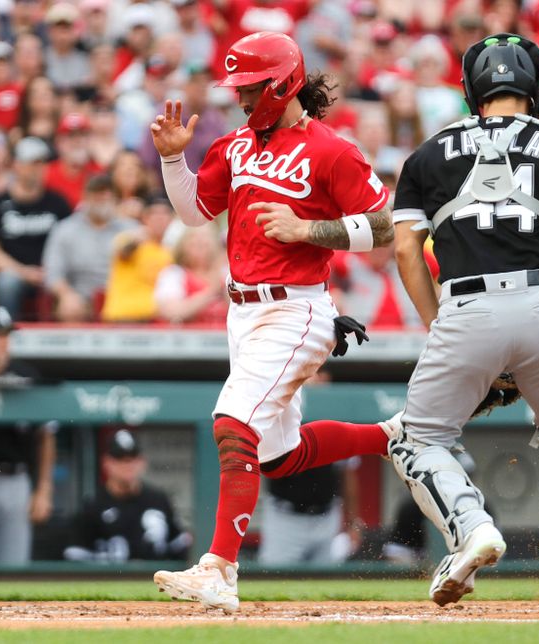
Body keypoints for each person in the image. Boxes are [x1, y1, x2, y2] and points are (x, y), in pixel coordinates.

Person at [150, 32, 395, 612]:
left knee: (233, 420)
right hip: (243, 311)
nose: (239, 97)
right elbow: (193, 213)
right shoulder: (233, 145)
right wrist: (170, 158)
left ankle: (220, 569)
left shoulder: (332, 150)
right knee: (278, 457)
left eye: (249, 86)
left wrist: (310, 229)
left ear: (281, 83)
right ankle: (392, 438)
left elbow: (382, 227)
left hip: (296, 306)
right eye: (236, 86)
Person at [387, 34, 539, 611]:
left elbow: (405, 251)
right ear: (536, 88)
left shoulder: (426, 155)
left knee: (418, 437)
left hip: (464, 305)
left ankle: (471, 528)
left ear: (472, 91)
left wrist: (438, 323)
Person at [0, 307, 56, 565]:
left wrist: (44, 489)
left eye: (6, 335)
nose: (2, 342)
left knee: (12, 565)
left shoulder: (26, 375)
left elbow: (46, 435)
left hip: (16, 479)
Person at [64, 429, 191, 563]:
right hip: (107, 581)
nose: (127, 466)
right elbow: (74, 555)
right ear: (106, 463)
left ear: (142, 462)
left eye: (132, 459)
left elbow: (179, 545)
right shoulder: (93, 506)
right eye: (120, 460)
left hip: (154, 579)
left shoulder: (158, 499)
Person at [0, 137, 71, 318]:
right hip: (15, 271)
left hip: (53, 273)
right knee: (6, 282)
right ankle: (5, 332)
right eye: (33, 163)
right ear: (17, 165)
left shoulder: (58, 203)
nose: (39, 169)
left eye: (43, 163)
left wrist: (53, 272)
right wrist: (23, 271)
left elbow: (71, 243)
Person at [42, 174, 137, 322]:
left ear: (115, 199)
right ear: (85, 197)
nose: (102, 199)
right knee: (69, 308)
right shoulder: (65, 229)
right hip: (81, 295)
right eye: (96, 194)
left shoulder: (131, 229)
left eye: (107, 194)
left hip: (123, 295)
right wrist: (66, 294)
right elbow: (53, 273)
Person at [101, 195, 174, 323]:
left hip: (155, 318)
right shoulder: (131, 238)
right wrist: (136, 240)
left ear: (171, 220)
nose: (160, 219)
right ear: (145, 218)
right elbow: (123, 251)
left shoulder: (170, 251)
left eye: (165, 214)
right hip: (124, 318)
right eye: (154, 214)